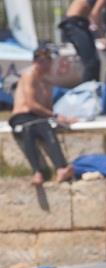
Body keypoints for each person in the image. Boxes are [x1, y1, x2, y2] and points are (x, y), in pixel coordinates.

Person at [9, 45, 75, 186]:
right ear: (35, 62)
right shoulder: (29, 75)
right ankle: (37, 172)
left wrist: (61, 118)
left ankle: (61, 169)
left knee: (47, 128)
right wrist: (55, 116)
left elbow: (47, 109)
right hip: (22, 117)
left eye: (47, 61)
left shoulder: (47, 82)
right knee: (28, 130)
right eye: (42, 61)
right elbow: (31, 104)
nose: (46, 64)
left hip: (38, 118)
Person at [59, 0, 106, 83]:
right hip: (74, 24)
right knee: (91, 63)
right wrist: (102, 36)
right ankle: (87, 91)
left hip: (80, 23)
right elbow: (95, 14)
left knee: (94, 63)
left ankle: (93, 88)